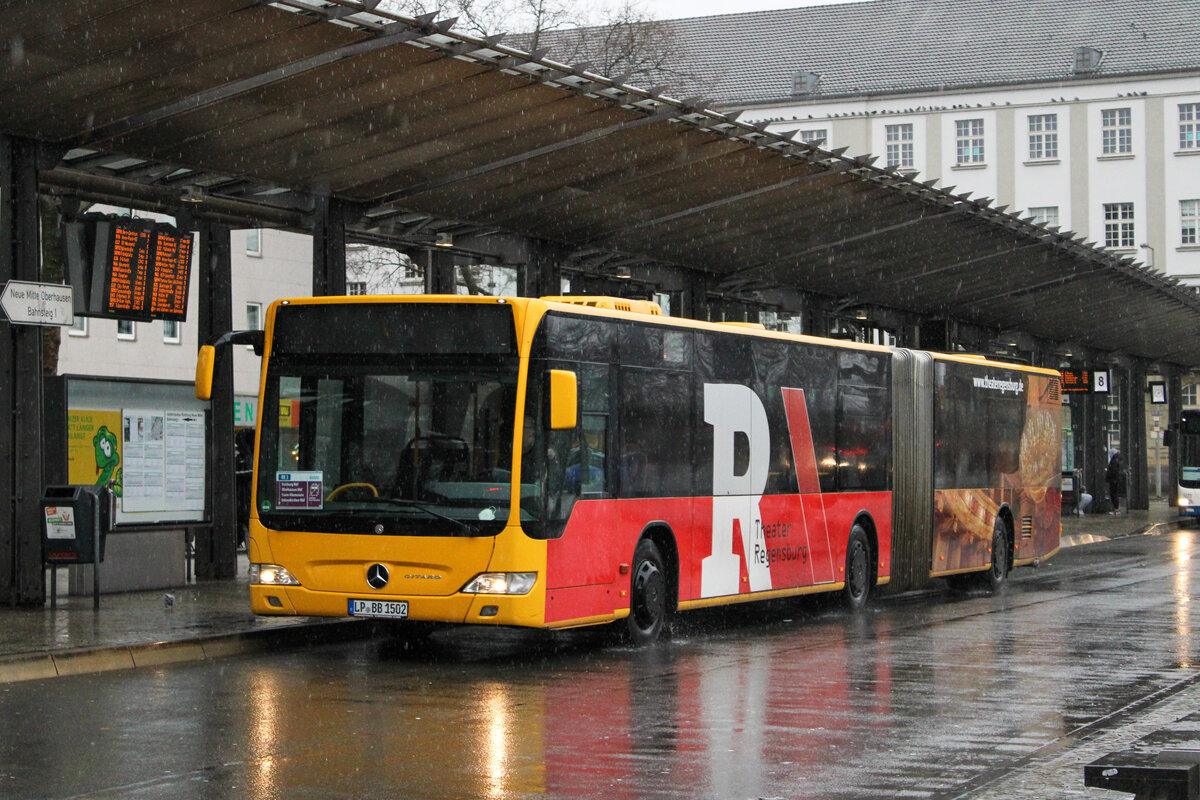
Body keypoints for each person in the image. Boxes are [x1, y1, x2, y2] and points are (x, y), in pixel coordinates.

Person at [1105, 449, 1125, 515]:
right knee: (1115, 494)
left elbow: (1113, 471)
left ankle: (1116, 509)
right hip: (1116, 480)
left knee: (1113, 494)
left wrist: (1109, 475)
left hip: (1113, 480)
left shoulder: (1114, 461)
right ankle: (1116, 509)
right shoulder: (1119, 460)